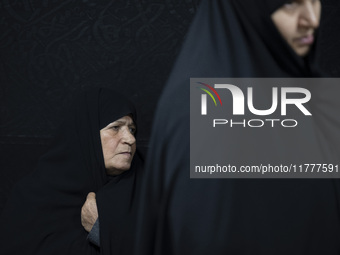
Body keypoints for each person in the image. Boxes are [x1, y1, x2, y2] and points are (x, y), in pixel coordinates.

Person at [131, 0, 340, 254]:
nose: (312, 19)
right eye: (290, 4)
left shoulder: (315, 94)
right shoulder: (202, 115)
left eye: (314, 0)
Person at [0, 87, 143, 255]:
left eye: (131, 129)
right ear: (87, 135)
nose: (130, 139)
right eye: (116, 127)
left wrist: (102, 229)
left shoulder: (147, 192)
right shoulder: (33, 199)